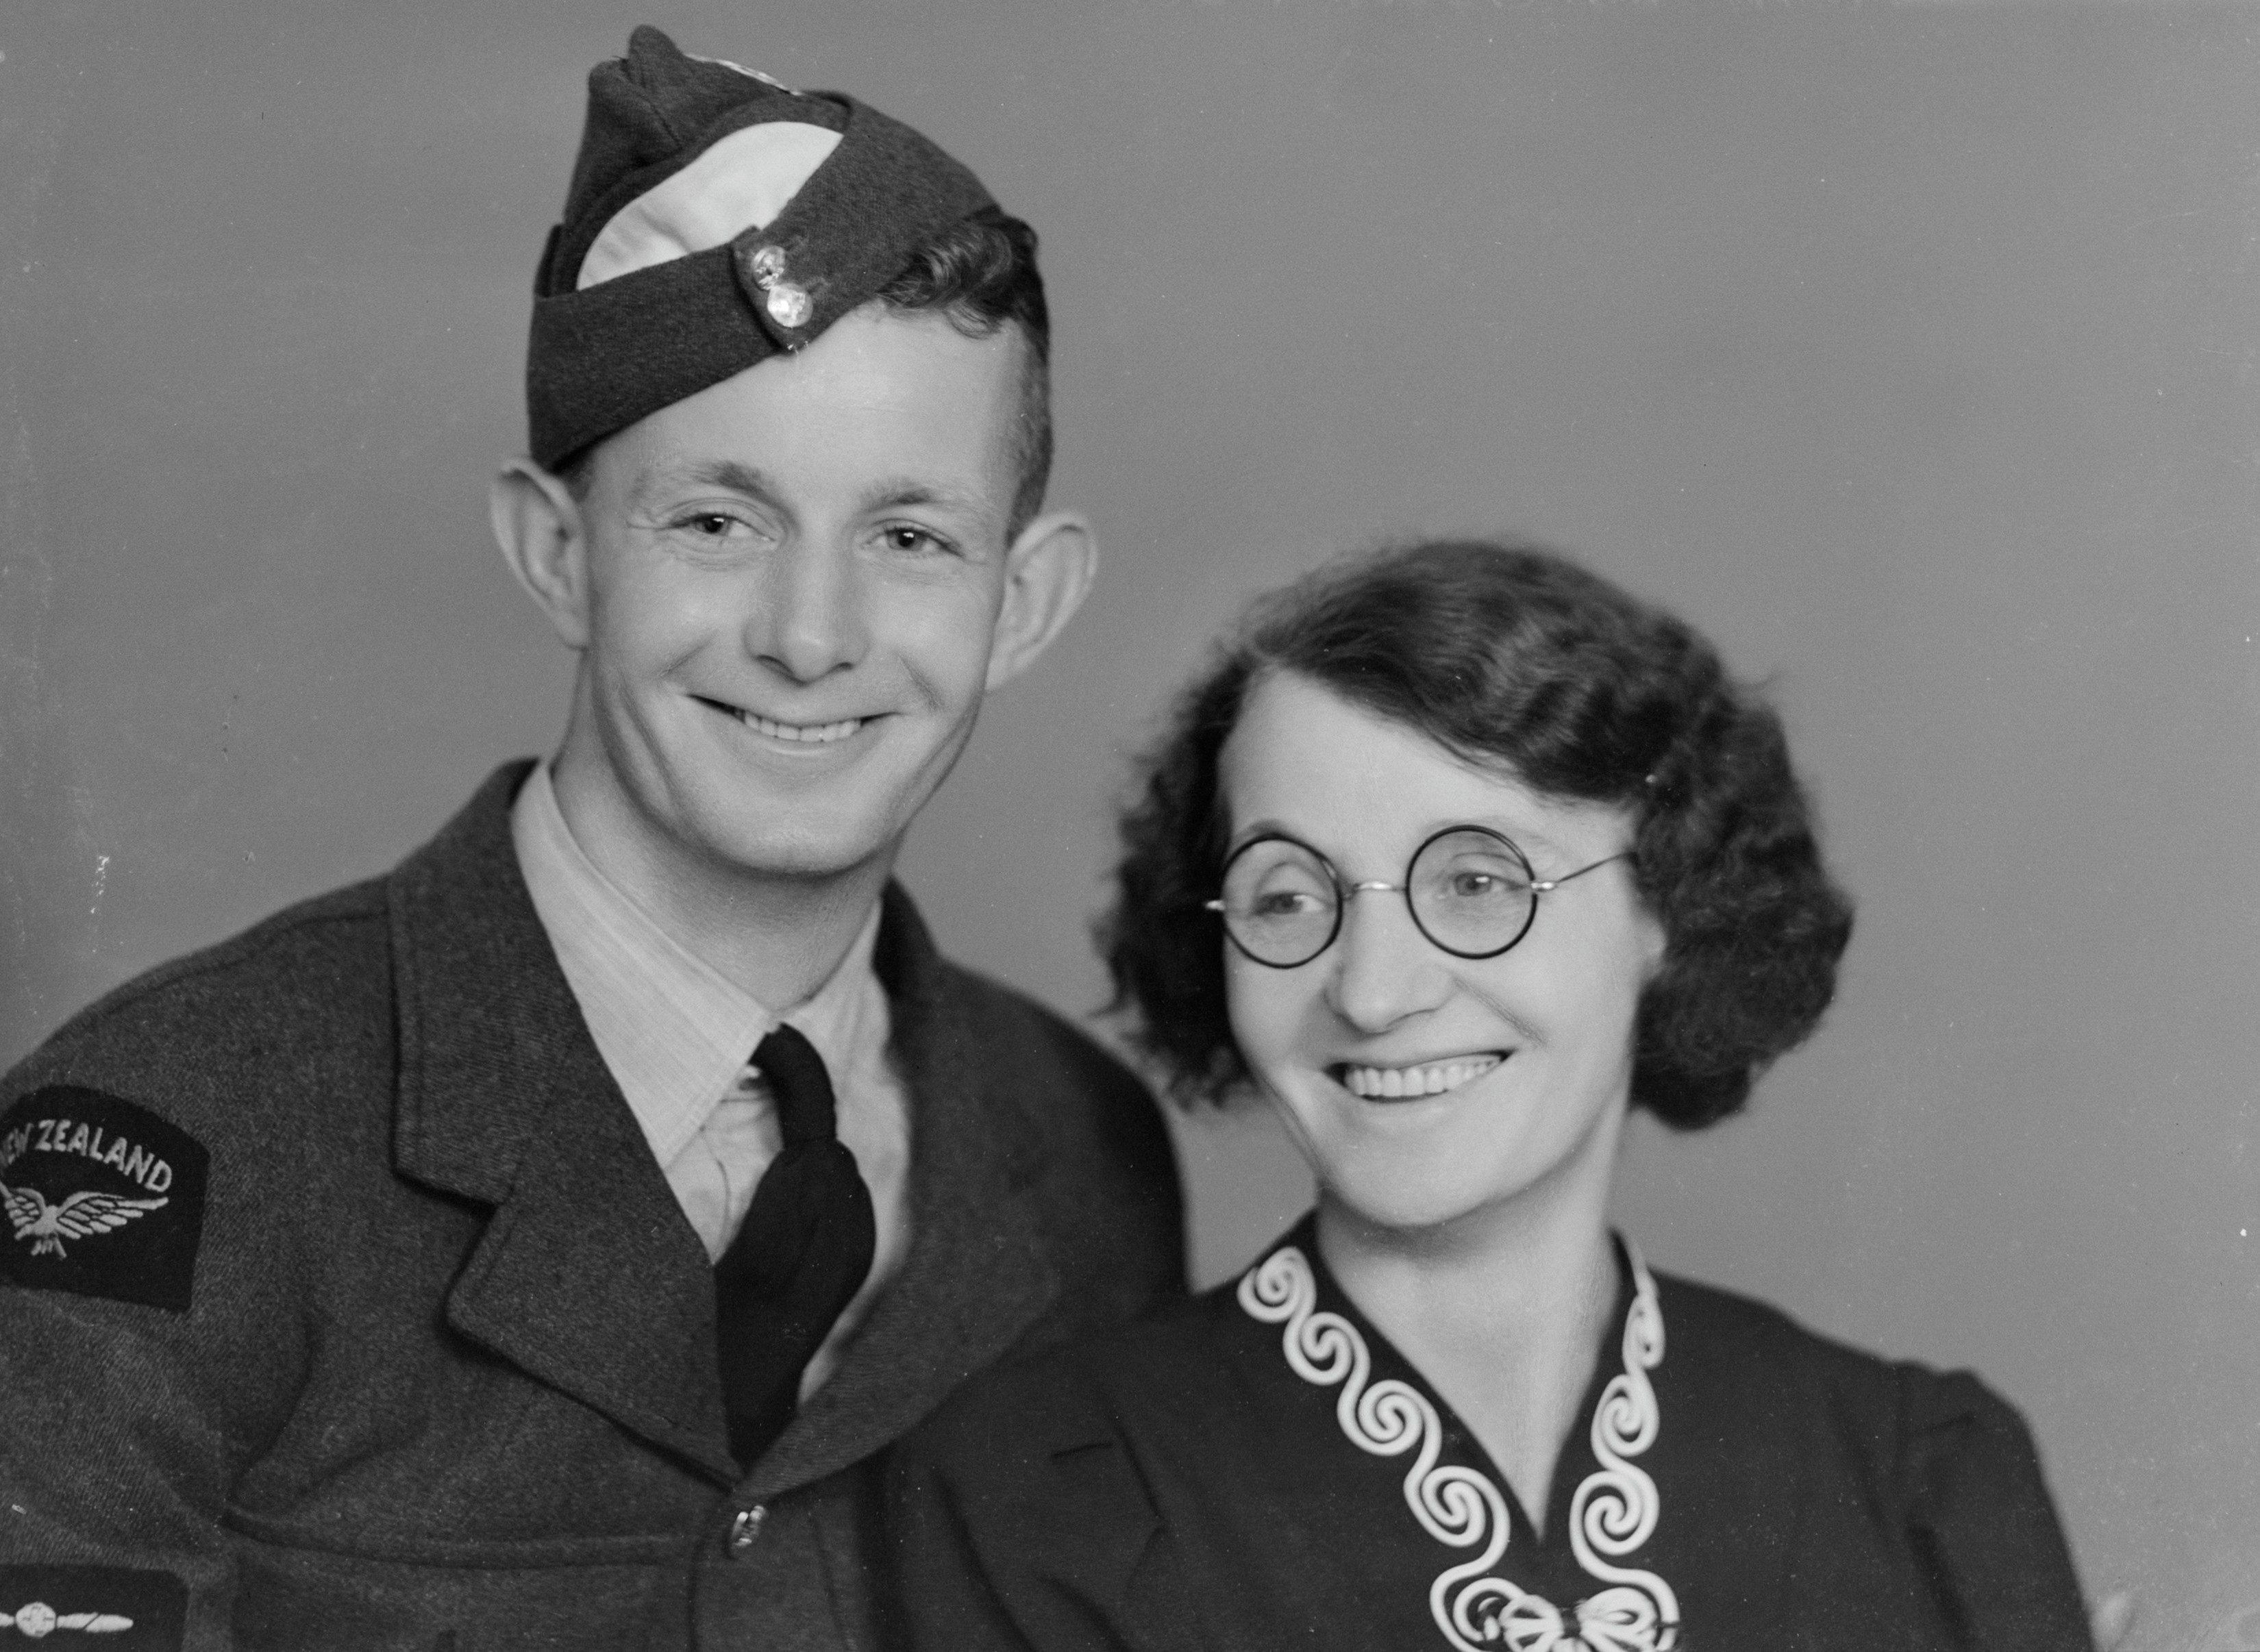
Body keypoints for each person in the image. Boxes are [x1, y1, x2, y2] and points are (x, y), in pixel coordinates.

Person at [0, 27, 1182, 1651]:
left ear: (1024, 600)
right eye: (718, 522)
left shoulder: (1086, 1162)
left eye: (911, 537)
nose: (812, 636)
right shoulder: (175, 1137)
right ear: (556, 554)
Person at [885, 540, 2096, 1651]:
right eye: (1290, 897)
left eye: (1476, 881)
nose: (1371, 991)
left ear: (1668, 912)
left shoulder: (1921, 1476)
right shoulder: (1030, 1492)